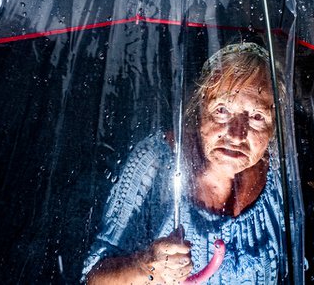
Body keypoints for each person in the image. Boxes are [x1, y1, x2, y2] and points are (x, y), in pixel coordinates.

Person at [82, 42, 287, 284]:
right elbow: (93, 278)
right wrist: (145, 265)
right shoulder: (156, 162)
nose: (236, 134)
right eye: (221, 109)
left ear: (274, 125)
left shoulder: (279, 173)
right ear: (199, 109)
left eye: (256, 116)